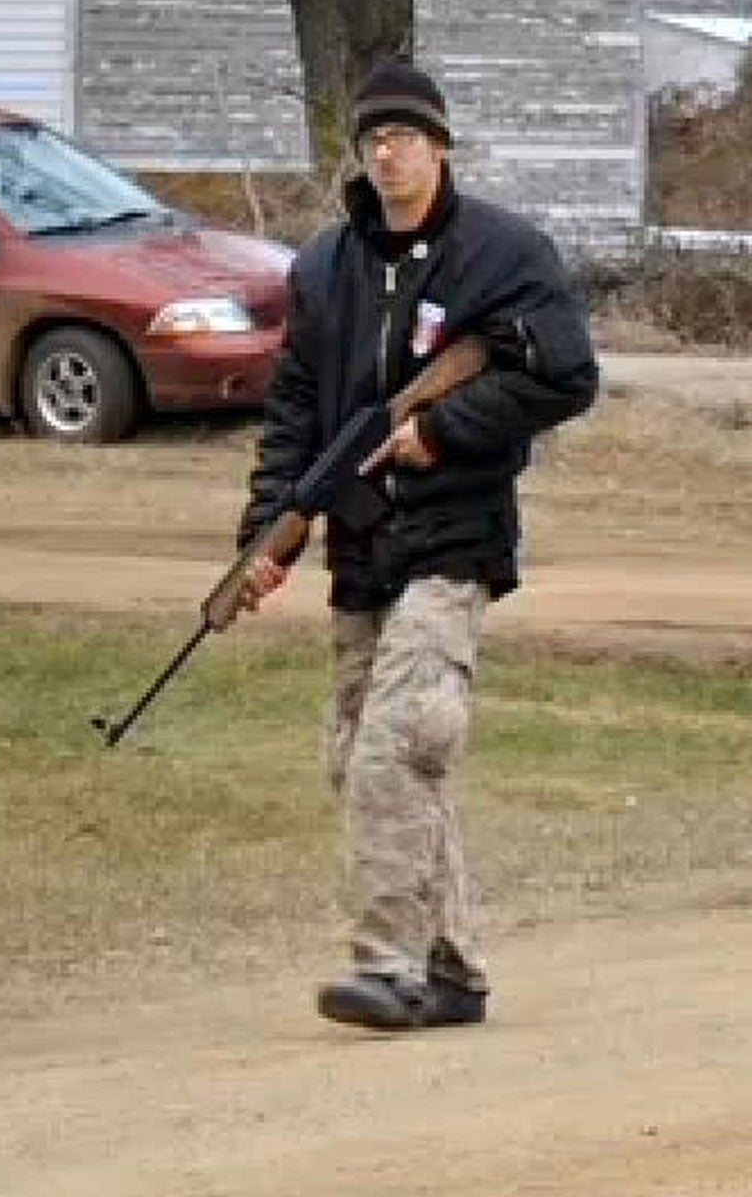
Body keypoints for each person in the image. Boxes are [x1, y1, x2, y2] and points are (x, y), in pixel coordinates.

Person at [235, 60, 599, 1029]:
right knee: (353, 752)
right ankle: (453, 967)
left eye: (405, 136)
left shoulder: (502, 254)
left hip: (454, 536)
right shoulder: (324, 267)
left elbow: (564, 375)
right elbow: (295, 415)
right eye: (374, 139)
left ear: (440, 146)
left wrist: (444, 429)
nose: (388, 153)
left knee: (402, 743)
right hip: (361, 547)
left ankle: (388, 964)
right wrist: (268, 530)